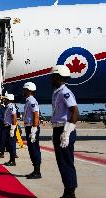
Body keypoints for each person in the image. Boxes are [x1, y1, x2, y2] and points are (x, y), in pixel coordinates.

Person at [50, 65, 79, 198]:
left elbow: (75, 111)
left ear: (58, 77)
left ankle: (70, 192)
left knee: (66, 161)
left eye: (53, 77)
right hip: (58, 129)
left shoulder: (64, 92)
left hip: (64, 129)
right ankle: (67, 190)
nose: (51, 79)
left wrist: (67, 132)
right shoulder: (56, 92)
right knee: (61, 161)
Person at [23, 82, 42, 179]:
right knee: (31, 149)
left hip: (32, 127)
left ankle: (37, 172)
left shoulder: (32, 101)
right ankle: (35, 170)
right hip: (29, 127)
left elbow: (36, 115)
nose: (23, 91)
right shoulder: (28, 101)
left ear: (28, 90)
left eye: (24, 90)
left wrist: (34, 129)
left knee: (34, 149)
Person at [3, 94, 17, 166]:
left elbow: (14, 117)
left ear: (8, 100)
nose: (4, 100)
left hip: (10, 127)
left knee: (11, 144)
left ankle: (13, 161)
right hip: (7, 127)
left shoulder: (11, 106)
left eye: (5, 99)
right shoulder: (8, 107)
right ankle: (11, 160)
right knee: (9, 144)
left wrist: (12, 128)